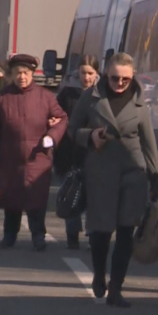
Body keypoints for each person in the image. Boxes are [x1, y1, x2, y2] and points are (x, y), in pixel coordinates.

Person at [68, 52, 158, 308]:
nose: (119, 83)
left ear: (133, 78)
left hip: (133, 173)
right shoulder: (91, 98)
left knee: (124, 233)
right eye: (114, 78)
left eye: (125, 79)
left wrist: (155, 177)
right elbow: (71, 129)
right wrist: (89, 137)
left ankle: (116, 289)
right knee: (100, 233)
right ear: (105, 75)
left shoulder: (140, 102)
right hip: (100, 172)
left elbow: (148, 142)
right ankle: (99, 274)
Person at [0, 54, 68, 252]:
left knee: (36, 200)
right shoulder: (2, 98)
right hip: (10, 160)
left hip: (38, 159)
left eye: (26, 73)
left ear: (32, 74)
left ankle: (38, 235)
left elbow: (62, 118)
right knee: (11, 199)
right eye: (18, 73)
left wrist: (51, 137)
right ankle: (9, 235)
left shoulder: (45, 97)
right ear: (12, 74)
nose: (22, 77)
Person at [54, 54, 100, 249]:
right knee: (71, 193)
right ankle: (72, 235)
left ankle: (93, 234)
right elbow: (56, 114)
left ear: (97, 74)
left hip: (94, 153)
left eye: (90, 73)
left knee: (93, 196)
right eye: (83, 73)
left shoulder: (102, 96)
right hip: (70, 153)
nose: (86, 78)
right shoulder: (68, 95)